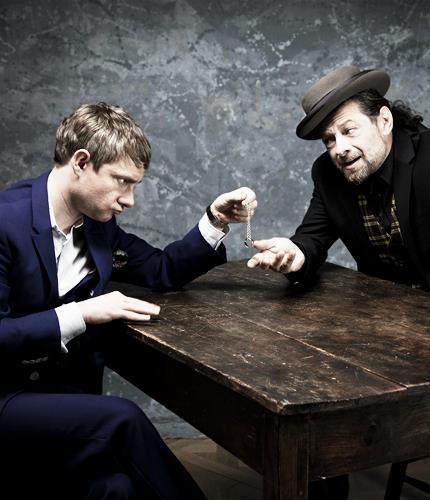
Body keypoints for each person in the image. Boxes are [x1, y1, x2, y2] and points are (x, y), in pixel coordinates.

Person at [247, 64, 430, 498]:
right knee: (305, 370)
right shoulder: (328, 174)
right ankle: (322, 486)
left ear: (384, 121)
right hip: (393, 328)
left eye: (348, 131)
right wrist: (293, 254)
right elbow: (311, 238)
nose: (339, 148)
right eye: (329, 139)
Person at [0, 102, 256, 499]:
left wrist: (215, 220)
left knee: (116, 490)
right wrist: (82, 312)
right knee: (123, 420)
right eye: (122, 181)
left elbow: (161, 269)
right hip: (7, 397)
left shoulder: (98, 226)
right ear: (81, 162)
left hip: (63, 401)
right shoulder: (5, 222)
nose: (130, 200)